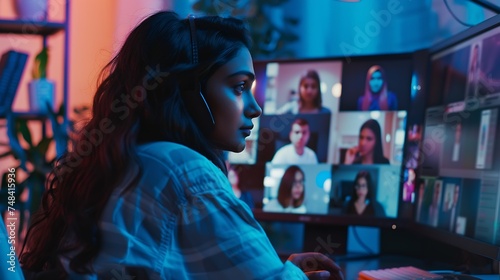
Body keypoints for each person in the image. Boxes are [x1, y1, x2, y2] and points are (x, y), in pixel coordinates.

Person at [19, 11, 343, 280]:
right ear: (190, 92)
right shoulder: (187, 172)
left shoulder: (129, 157)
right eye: (240, 87)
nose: (255, 108)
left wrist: (286, 269)